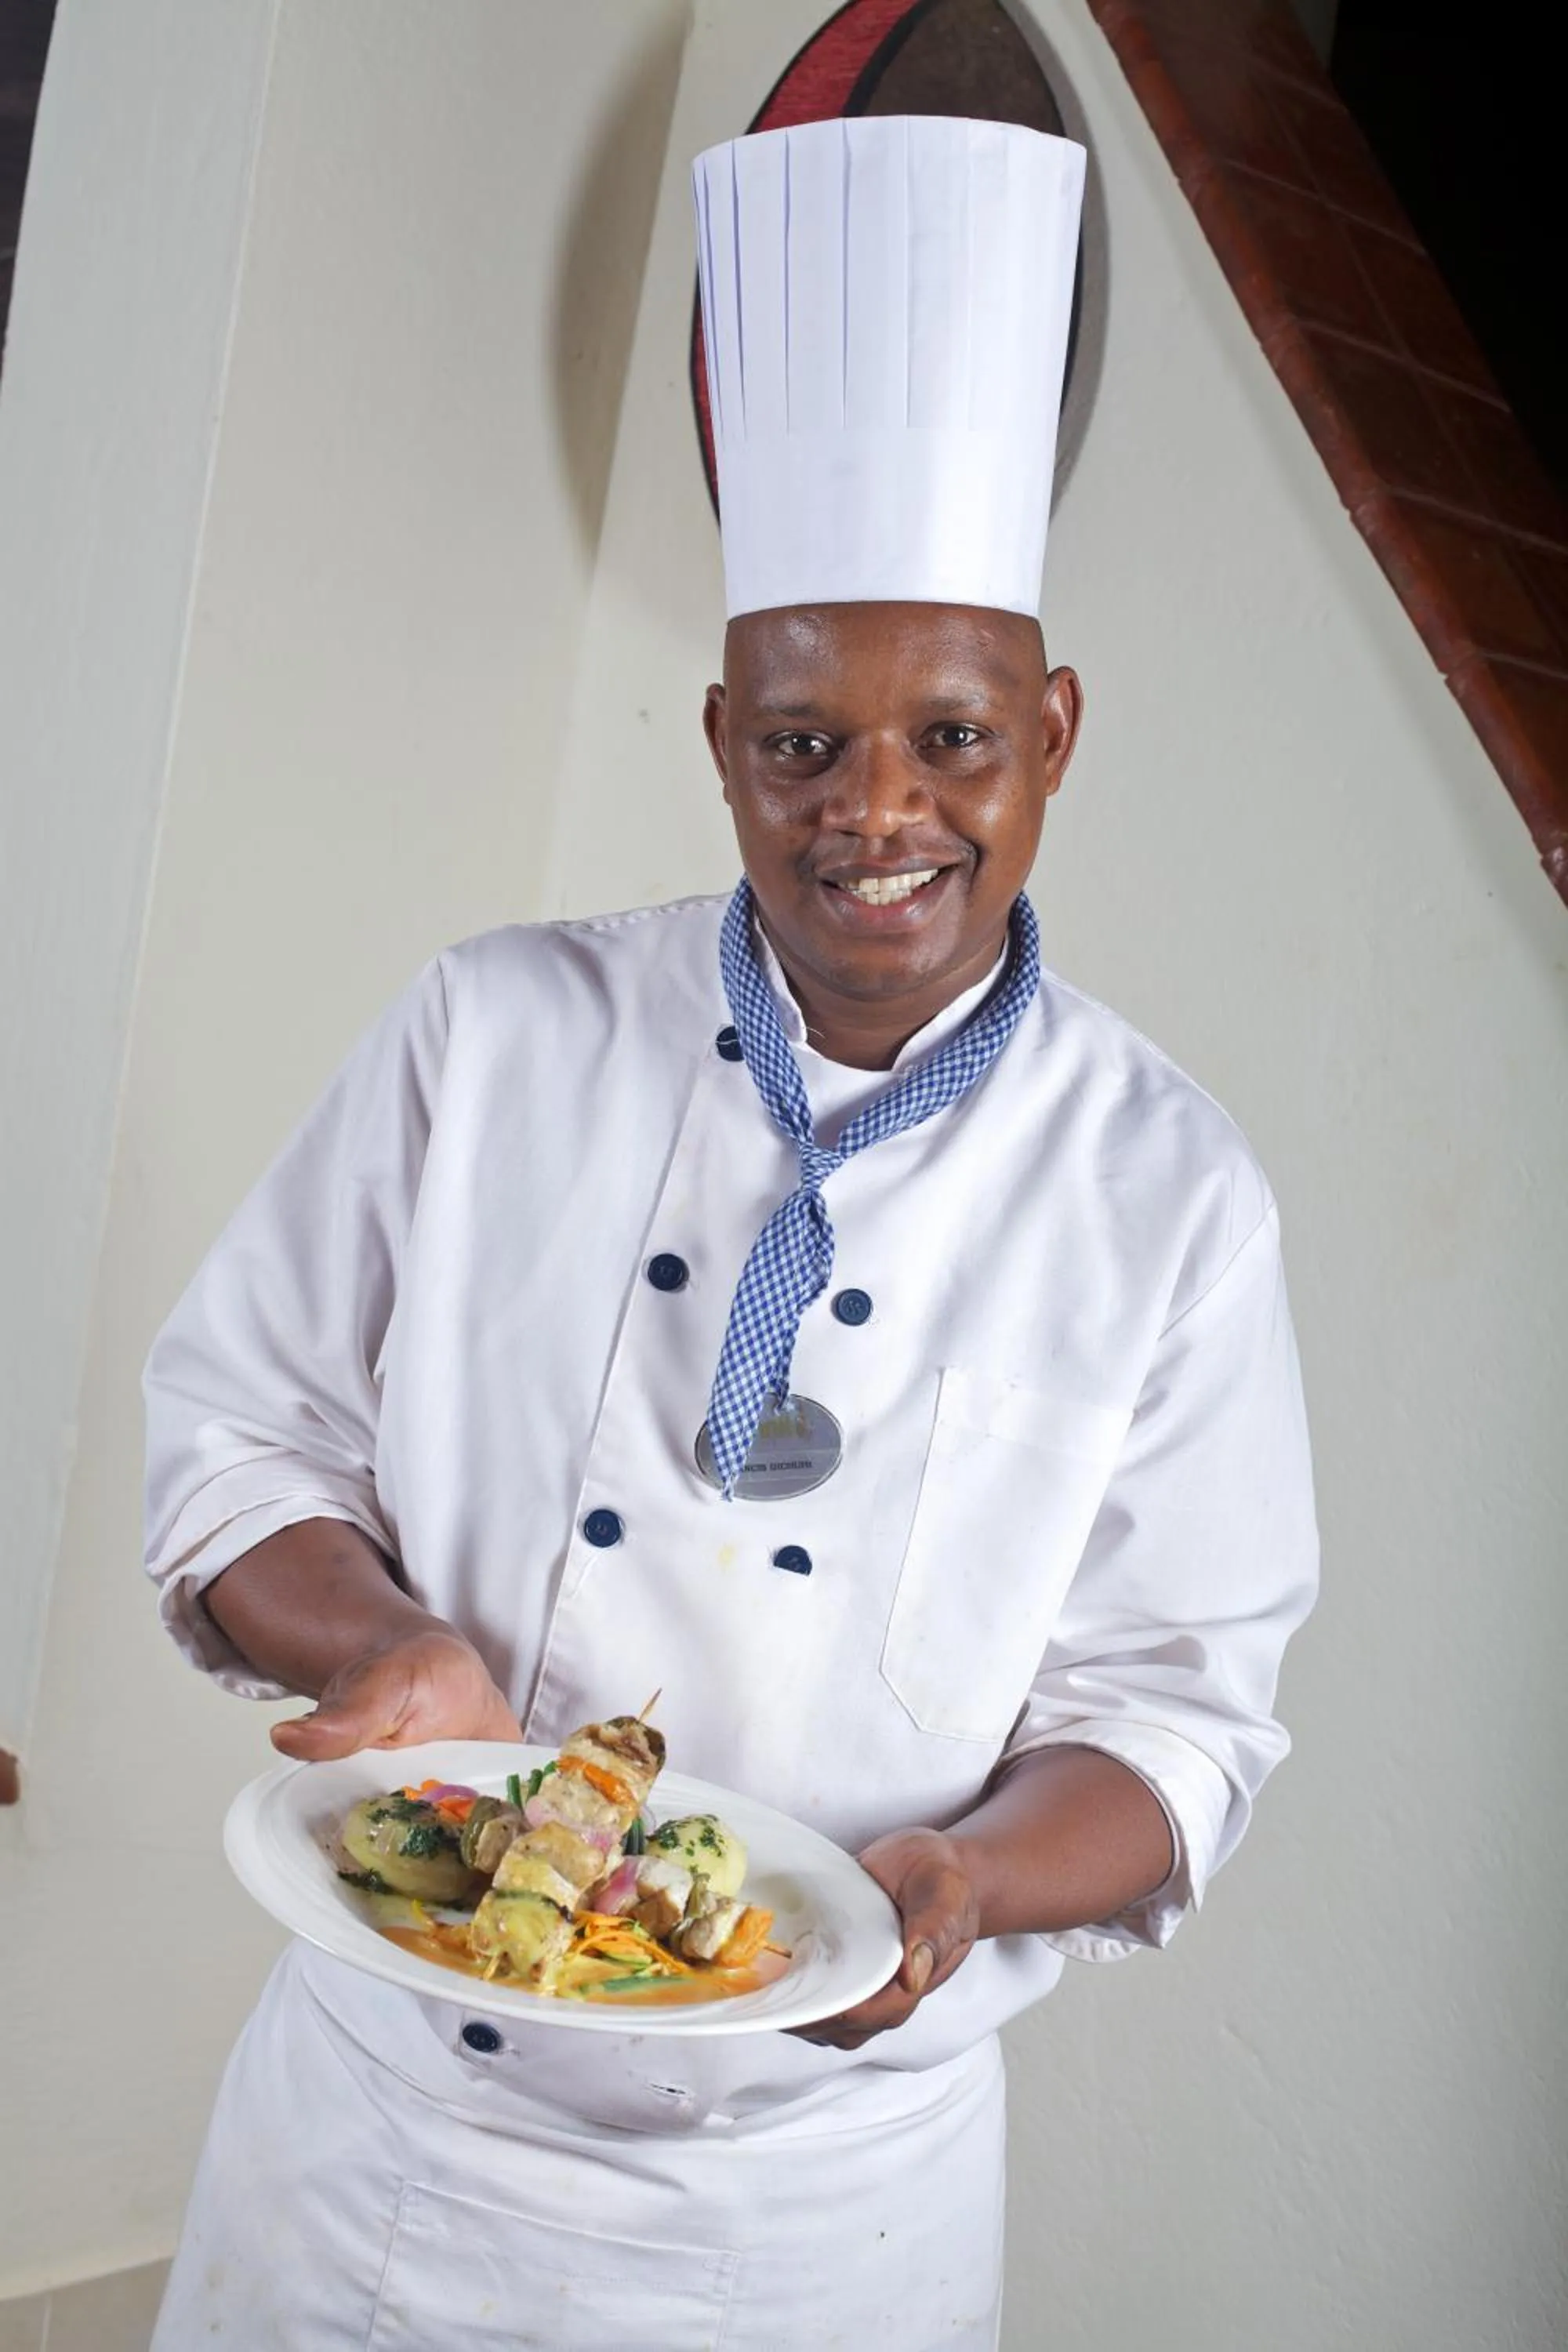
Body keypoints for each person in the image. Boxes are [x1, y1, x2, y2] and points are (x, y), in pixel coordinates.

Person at [143, 114, 1316, 2349]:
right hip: (384, 2150)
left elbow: (1176, 1721)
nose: (874, 809)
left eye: (951, 735)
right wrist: (374, 1641)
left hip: (817, 2220)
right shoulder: (490, 1029)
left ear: (1052, 736)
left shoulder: (1170, 1194)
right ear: (719, 743)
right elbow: (235, 1437)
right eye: (801, 739)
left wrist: (962, 1881)